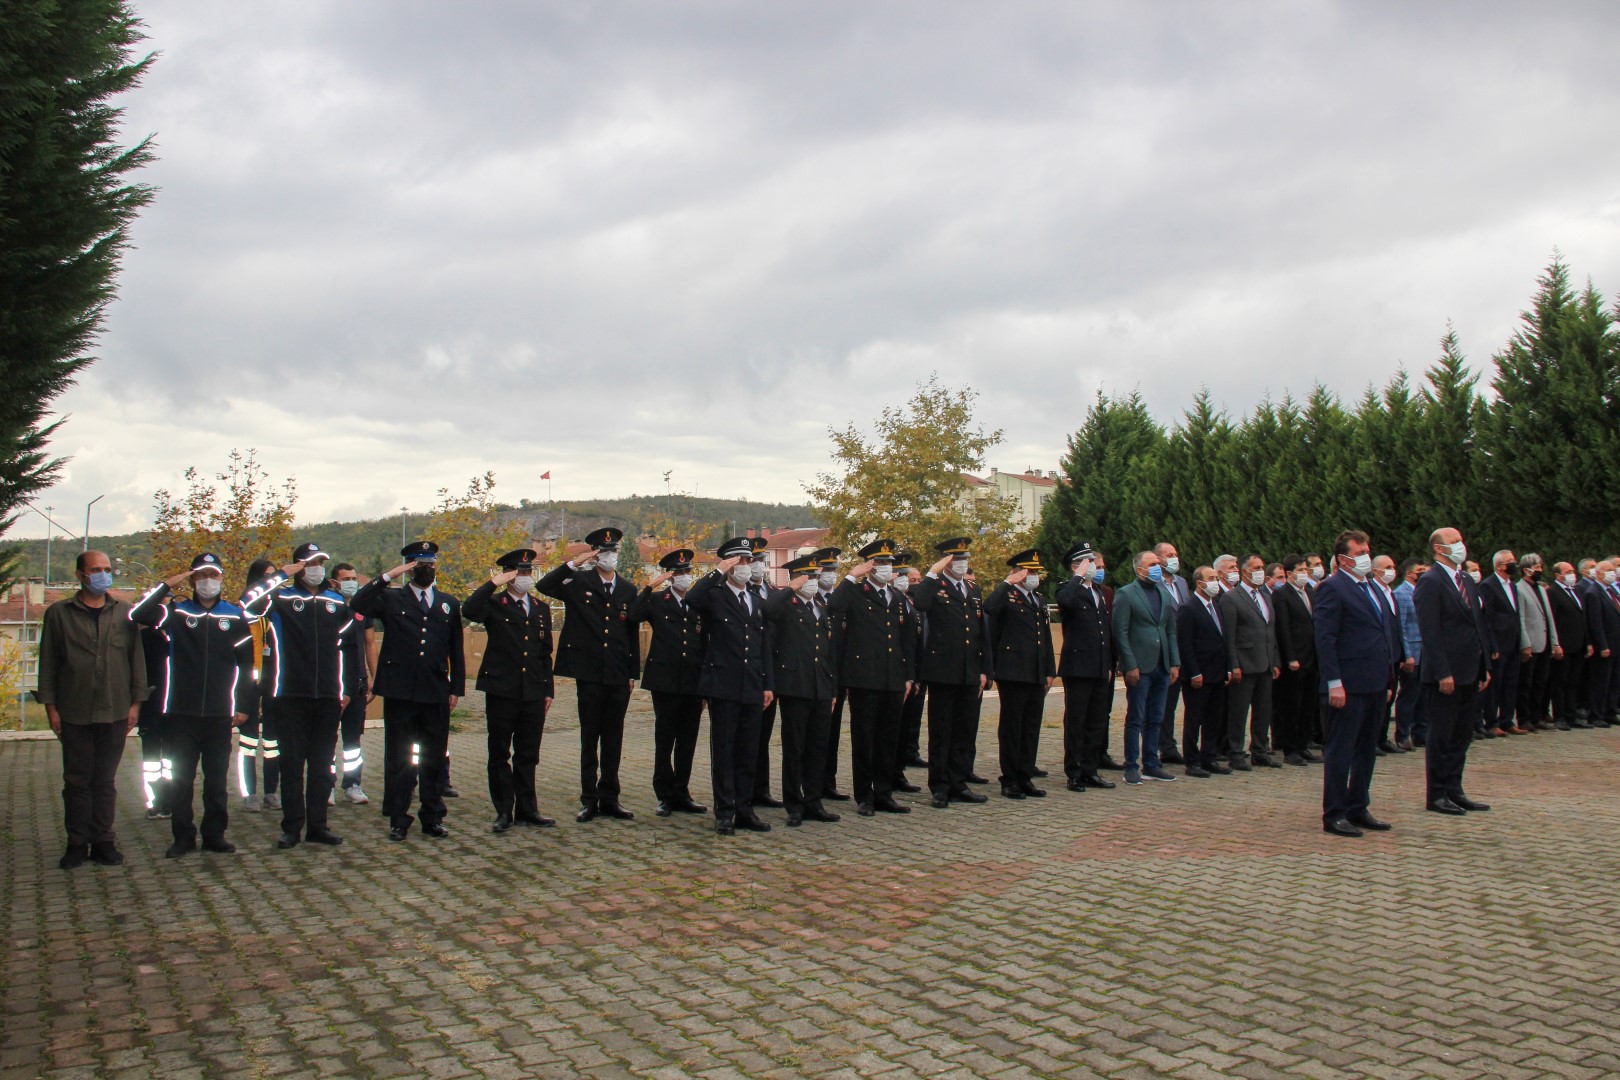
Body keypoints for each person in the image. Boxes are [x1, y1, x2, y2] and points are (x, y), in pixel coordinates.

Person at [128, 553, 256, 857]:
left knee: (216, 782)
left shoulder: (235, 616)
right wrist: (167, 584)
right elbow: (138, 614)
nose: (207, 581)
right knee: (181, 780)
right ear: (192, 579)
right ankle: (183, 838)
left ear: (221, 578)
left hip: (219, 714)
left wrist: (244, 705)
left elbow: (246, 664)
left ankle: (215, 835)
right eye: (201, 575)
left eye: (213, 575)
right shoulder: (176, 612)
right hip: (181, 713)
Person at [38, 550, 150, 869]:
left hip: (115, 710)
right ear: (80, 575)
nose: (103, 575)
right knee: (77, 781)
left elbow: (136, 661)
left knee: (104, 780)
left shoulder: (125, 612)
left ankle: (103, 840)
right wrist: (51, 708)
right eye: (96, 570)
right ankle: (76, 843)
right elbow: (48, 663)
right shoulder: (59, 614)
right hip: (74, 710)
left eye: (107, 569)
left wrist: (136, 704)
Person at [351, 541, 466, 841]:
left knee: (433, 758)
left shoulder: (448, 603)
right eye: (420, 564)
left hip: (435, 690)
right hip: (401, 691)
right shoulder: (391, 598)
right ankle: (399, 817)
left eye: (430, 564)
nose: (427, 569)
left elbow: (456, 648)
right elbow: (359, 603)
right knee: (399, 759)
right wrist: (389, 575)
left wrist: (456, 688)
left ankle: (433, 816)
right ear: (409, 568)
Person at [240, 544, 353, 849]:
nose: (317, 568)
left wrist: (347, 688)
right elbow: (247, 605)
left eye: (320, 562)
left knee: (322, 767)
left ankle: (318, 826)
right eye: (311, 562)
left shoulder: (335, 600)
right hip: (289, 695)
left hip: (327, 696)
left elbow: (348, 645)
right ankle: (292, 828)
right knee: (291, 765)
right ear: (299, 566)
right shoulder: (280, 598)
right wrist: (279, 576)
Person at [537, 528, 641, 822]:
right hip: (589, 672)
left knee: (613, 738)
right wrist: (575, 562)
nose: (609, 556)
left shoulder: (627, 589)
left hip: (618, 673)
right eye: (603, 551)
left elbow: (630, 633)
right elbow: (544, 585)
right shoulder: (578, 582)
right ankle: (589, 799)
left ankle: (610, 798)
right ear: (595, 554)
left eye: (613, 551)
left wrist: (632, 673)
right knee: (590, 736)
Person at [686, 537, 775, 834]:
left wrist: (767, 684)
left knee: (748, 751)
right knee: (724, 751)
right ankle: (724, 811)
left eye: (749, 560)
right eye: (740, 561)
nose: (746, 566)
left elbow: (763, 645)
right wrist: (717, 572)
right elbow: (691, 599)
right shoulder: (715, 595)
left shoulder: (756, 599)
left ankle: (745, 809)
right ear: (728, 564)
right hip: (723, 684)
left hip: (752, 684)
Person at [1314, 530, 1400, 837]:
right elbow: (1326, 638)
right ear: (1342, 559)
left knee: (1366, 749)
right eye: (1359, 553)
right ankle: (1334, 812)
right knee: (1341, 750)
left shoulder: (1372, 587)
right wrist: (1334, 682)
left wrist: (1388, 678)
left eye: (1367, 551)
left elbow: (1382, 634)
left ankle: (1358, 806)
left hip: (1374, 681)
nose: (1365, 557)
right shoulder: (1332, 588)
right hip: (1347, 683)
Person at [464, 547, 556, 833]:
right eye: (520, 571)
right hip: (502, 689)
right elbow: (469, 610)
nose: (525, 576)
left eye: (528, 571)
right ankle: (504, 810)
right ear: (508, 574)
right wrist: (493, 583)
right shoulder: (494, 603)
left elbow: (544, 652)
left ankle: (528, 809)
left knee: (528, 754)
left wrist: (548, 690)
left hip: (532, 690)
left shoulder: (540, 608)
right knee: (500, 753)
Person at [828, 538, 917, 816]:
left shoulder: (897, 597)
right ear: (869, 566)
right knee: (864, 739)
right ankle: (864, 796)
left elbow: (907, 640)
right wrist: (850, 576)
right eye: (880, 562)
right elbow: (833, 606)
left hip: (893, 678)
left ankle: (884, 793)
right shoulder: (856, 592)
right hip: (864, 679)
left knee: (888, 739)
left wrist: (908, 676)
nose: (886, 567)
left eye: (889, 562)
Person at [1413, 527, 1492, 816]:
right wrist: (1442, 671)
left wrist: (1485, 665)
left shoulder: (1466, 579)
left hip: (1471, 668)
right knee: (1442, 734)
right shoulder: (1430, 581)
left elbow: (1477, 624)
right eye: (1454, 541)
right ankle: (1436, 794)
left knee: (1462, 733)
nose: (1460, 545)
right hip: (1445, 673)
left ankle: (1454, 788)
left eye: (1460, 540)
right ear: (1438, 548)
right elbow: (1430, 630)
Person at [910, 538, 993, 807]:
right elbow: (920, 603)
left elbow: (980, 632)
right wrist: (932, 573)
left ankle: (959, 783)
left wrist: (984, 669)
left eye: (965, 558)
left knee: (963, 730)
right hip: (943, 670)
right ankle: (940, 786)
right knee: (941, 731)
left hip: (969, 670)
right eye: (957, 559)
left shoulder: (972, 589)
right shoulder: (935, 586)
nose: (962, 563)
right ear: (946, 561)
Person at [763, 551, 842, 826]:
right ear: (797, 578)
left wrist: (832, 689)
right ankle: (794, 805)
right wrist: (789, 589)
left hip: (821, 687)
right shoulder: (786, 604)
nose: (814, 581)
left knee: (818, 747)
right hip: (795, 687)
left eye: (816, 576)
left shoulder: (820, 605)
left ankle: (814, 802)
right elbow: (768, 610)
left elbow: (829, 651)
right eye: (809, 576)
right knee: (795, 748)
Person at [631, 548, 708, 818]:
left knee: (687, 741)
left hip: (692, 682)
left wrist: (706, 684)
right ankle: (664, 795)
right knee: (665, 740)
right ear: (670, 576)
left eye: (687, 571)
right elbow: (633, 615)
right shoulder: (657, 600)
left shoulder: (698, 603)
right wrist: (649, 586)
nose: (685, 576)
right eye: (679, 572)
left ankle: (682, 792)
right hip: (664, 682)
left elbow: (705, 643)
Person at [984, 548, 1056, 799]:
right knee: (1012, 727)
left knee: (1031, 727)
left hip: (1036, 671)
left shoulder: (1038, 599)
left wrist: (1049, 669)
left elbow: (1045, 637)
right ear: (1017, 573)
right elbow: (989, 608)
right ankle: (1010, 779)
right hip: (1013, 670)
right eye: (1029, 572)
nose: (1034, 576)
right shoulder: (1007, 595)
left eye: (1036, 572)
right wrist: (1006, 583)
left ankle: (1025, 776)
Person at [1111, 550, 1180, 785]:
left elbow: (1170, 630)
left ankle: (1152, 763)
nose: (1157, 567)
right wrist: (1130, 664)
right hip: (1140, 666)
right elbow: (1120, 632)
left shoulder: (1163, 593)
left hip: (1162, 664)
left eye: (1158, 563)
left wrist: (1174, 662)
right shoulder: (1126, 594)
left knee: (1156, 717)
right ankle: (1131, 765)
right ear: (1140, 570)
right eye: (1152, 564)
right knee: (1136, 717)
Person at [1055, 542, 1116, 791]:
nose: (1094, 568)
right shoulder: (1067, 589)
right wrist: (1078, 578)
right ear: (1075, 566)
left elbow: (1104, 632)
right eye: (1088, 563)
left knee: (1096, 721)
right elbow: (1065, 602)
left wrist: (1109, 663)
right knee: (1076, 721)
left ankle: (1091, 770)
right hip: (1078, 667)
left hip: (1099, 666)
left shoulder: (1098, 592)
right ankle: (1074, 772)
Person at [1220, 553, 1281, 770]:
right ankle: (1236, 753)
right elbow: (1229, 635)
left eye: (1262, 567)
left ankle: (1260, 751)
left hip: (1265, 662)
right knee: (1239, 712)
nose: (1260, 572)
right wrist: (1234, 664)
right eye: (1256, 568)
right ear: (1245, 571)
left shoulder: (1265, 596)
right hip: (1244, 664)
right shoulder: (1232, 598)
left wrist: (1275, 660)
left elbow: (1270, 630)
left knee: (1263, 710)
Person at [1176, 565, 1231, 778]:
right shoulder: (1188, 608)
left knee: (1213, 718)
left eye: (1216, 577)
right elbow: (1186, 644)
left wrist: (1227, 668)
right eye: (1211, 578)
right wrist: (1194, 672)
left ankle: (1209, 756)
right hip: (1198, 674)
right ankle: (1192, 761)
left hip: (1217, 672)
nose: (1215, 582)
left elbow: (1222, 639)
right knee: (1194, 718)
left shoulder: (1215, 605)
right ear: (1199, 583)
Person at [235, 558, 281, 811]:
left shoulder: (277, 609)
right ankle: (249, 793)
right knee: (248, 742)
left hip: (274, 685)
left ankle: (271, 791)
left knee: (273, 743)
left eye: (274, 576)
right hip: (248, 685)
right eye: (266, 576)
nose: (270, 581)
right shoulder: (245, 611)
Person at [329, 563, 375, 804]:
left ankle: (353, 784)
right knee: (327, 738)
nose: (351, 582)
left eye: (353, 578)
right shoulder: (328, 607)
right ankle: (326, 785)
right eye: (345, 579)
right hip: (333, 683)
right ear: (334, 582)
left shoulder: (362, 608)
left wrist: (374, 677)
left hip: (358, 682)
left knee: (353, 740)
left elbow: (370, 643)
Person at [747, 537, 786, 809]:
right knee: (748, 736)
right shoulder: (741, 591)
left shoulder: (773, 592)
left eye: (761, 560)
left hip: (772, 672)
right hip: (750, 670)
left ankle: (761, 790)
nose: (757, 565)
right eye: (753, 561)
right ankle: (745, 790)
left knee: (764, 736)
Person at [1271, 554, 1319, 766]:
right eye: (1301, 570)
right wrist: (1290, 657)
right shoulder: (1282, 595)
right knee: (1292, 705)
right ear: (1290, 574)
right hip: (1295, 659)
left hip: (1312, 657)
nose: (1305, 574)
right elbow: (1283, 628)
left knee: (1308, 704)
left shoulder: (1310, 592)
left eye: (1306, 570)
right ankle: (1290, 749)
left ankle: (1303, 744)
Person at [1479, 550, 1530, 738]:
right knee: (1495, 685)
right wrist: (1492, 645)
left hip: (1513, 642)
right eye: (1510, 561)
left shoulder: (1512, 586)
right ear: (1499, 565)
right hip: (1498, 644)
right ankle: (1491, 722)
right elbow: (1487, 618)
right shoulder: (1488, 585)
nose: (1514, 564)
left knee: (1511, 683)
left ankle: (1507, 720)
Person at [1514, 554, 1561, 732]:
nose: (1540, 570)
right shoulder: (1519, 589)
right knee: (1526, 683)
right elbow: (1521, 618)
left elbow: (1548, 617)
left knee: (1541, 682)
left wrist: (1555, 642)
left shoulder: (1541, 589)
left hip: (1544, 642)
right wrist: (1525, 644)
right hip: (1531, 643)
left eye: (1541, 567)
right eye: (1537, 567)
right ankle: (1524, 718)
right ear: (1526, 570)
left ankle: (1537, 716)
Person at [1548, 561, 1592, 729]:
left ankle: (1571, 715)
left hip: (1578, 644)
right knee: (1561, 681)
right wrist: (1555, 643)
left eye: (1572, 571)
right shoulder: (1553, 592)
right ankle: (1560, 716)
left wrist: (1588, 642)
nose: (1572, 574)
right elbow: (1553, 619)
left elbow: (1583, 618)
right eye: (1567, 572)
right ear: (1558, 575)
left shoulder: (1576, 591)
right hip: (1563, 645)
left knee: (1574, 682)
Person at [1392, 559, 1428, 749]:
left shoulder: (1423, 591)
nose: (1423, 573)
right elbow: (1402, 627)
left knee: (1423, 695)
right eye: (1419, 570)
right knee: (1409, 695)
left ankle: (1420, 732)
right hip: (1412, 652)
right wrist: (1406, 655)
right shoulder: (1402, 594)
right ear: (1409, 573)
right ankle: (1402, 734)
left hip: (1425, 652)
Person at [1578, 559, 1614, 726]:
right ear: (1599, 573)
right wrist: (1602, 645)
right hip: (1604, 645)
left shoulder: (1610, 591)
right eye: (1609, 570)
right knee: (1600, 681)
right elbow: (1595, 622)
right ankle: (1596, 714)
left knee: (1612, 680)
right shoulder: (1593, 593)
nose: (1612, 573)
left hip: (1615, 643)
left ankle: (1608, 711)